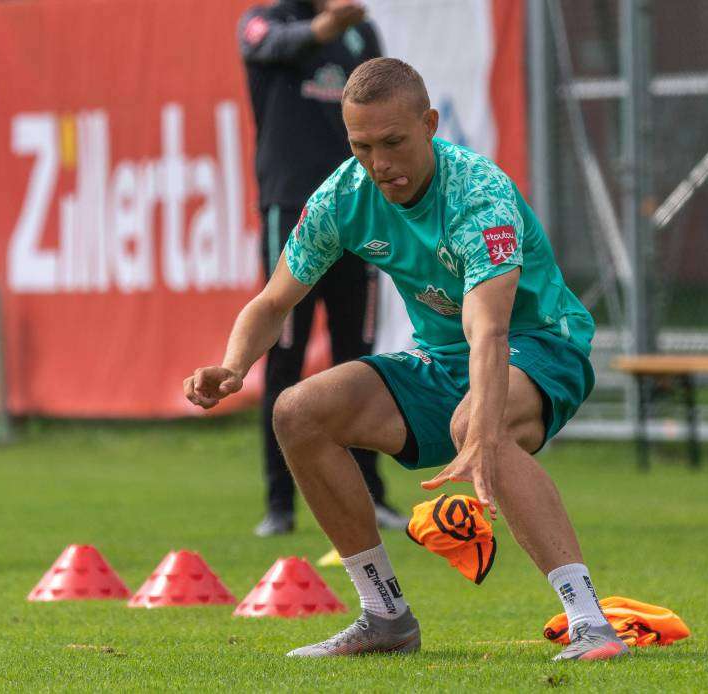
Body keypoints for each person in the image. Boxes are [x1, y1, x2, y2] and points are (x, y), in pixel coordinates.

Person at [185, 58, 628, 661]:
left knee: (478, 421)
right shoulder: (345, 192)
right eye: (362, 146)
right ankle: (385, 615)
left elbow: (490, 328)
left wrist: (480, 434)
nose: (379, 163)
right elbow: (272, 301)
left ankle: (591, 623)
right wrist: (234, 366)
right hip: (445, 360)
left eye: (393, 142)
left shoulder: (479, 192)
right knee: (297, 411)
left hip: (541, 345)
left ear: (430, 124)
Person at [238, 0, 406, 537]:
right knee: (283, 359)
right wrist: (324, 24)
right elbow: (273, 43)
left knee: (357, 361)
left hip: (360, 216)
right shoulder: (265, 21)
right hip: (291, 210)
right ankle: (280, 504)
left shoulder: (362, 37)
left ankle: (371, 494)